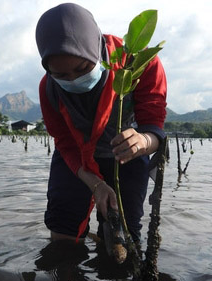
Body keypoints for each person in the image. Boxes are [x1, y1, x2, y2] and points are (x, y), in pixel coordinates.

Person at [35, 3, 167, 244]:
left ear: (97, 48)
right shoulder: (49, 89)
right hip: (76, 158)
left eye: (83, 68)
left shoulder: (138, 65)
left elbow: (154, 128)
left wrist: (142, 141)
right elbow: (65, 143)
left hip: (126, 157)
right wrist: (95, 184)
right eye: (62, 75)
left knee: (122, 236)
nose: (74, 79)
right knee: (63, 229)